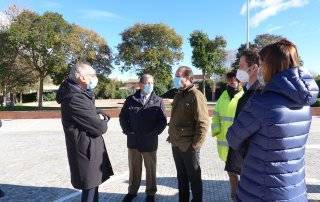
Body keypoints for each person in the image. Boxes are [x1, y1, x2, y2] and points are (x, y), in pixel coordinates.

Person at [227, 39, 319, 201]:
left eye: (261, 64)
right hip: (294, 190)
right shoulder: (304, 104)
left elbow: (233, 138)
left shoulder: (262, 102)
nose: (259, 69)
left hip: (261, 190)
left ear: (270, 65)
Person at [56, 62, 114, 202]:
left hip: (88, 149)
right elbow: (99, 128)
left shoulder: (79, 93)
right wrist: (103, 121)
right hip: (85, 151)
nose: (95, 78)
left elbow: (88, 114)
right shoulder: (75, 97)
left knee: (92, 188)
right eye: (92, 75)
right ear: (82, 78)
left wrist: (96, 113)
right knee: (89, 191)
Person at [119, 74, 167, 202]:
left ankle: (151, 193)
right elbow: (123, 117)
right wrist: (127, 130)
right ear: (140, 85)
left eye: (152, 83)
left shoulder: (158, 100)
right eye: (147, 83)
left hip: (150, 141)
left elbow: (162, 121)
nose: (150, 85)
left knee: (151, 169)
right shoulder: (130, 99)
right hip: (133, 141)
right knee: (134, 168)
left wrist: (154, 133)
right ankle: (132, 191)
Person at [167, 66, 210, 202]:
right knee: (181, 178)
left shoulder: (196, 95)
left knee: (194, 178)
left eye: (178, 76)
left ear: (188, 78)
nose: (175, 78)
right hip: (176, 143)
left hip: (189, 146)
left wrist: (195, 146)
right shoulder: (179, 94)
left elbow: (203, 123)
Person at [224, 49, 261, 198]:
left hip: (249, 162)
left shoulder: (259, 94)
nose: (238, 70)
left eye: (241, 65)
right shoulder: (248, 92)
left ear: (253, 68)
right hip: (240, 158)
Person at [211, 71, 243, 200]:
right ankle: (234, 195)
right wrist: (217, 130)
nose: (232, 82)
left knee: (242, 170)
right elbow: (216, 113)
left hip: (240, 140)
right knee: (231, 171)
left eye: (234, 80)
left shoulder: (244, 95)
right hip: (225, 139)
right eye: (229, 80)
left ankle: (243, 195)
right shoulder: (224, 94)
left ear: (240, 80)